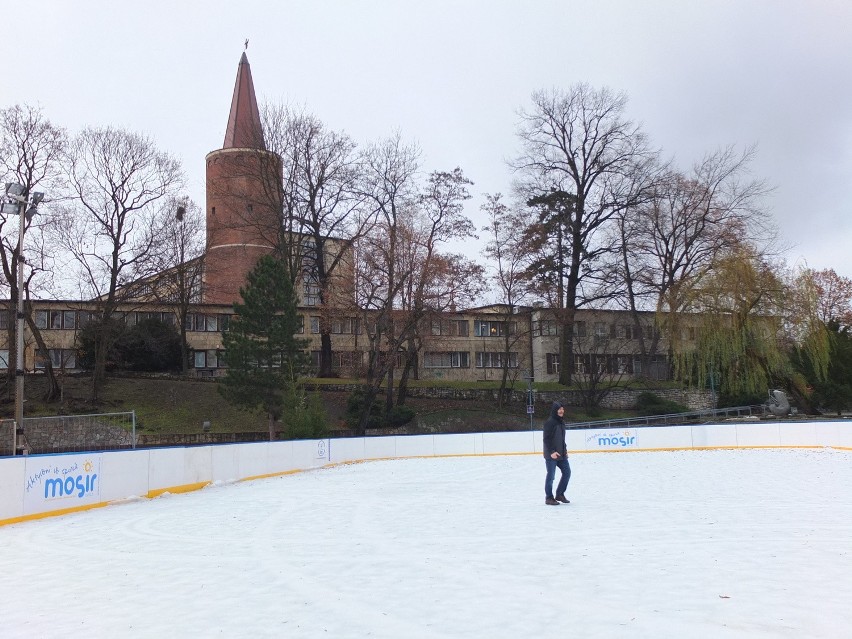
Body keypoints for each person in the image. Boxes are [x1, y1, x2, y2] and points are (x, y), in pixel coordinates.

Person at [542, 400, 571, 505]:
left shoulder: (561, 422)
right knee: (551, 476)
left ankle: (560, 494)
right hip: (551, 455)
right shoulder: (550, 422)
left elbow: (562, 439)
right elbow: (546, 439)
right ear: (555, 410)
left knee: (567, 472)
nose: (561, 411)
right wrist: (552, 452)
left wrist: (565, 451)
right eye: (559, 409)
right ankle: (549, 497)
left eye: (562, 409)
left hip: (561, 454)